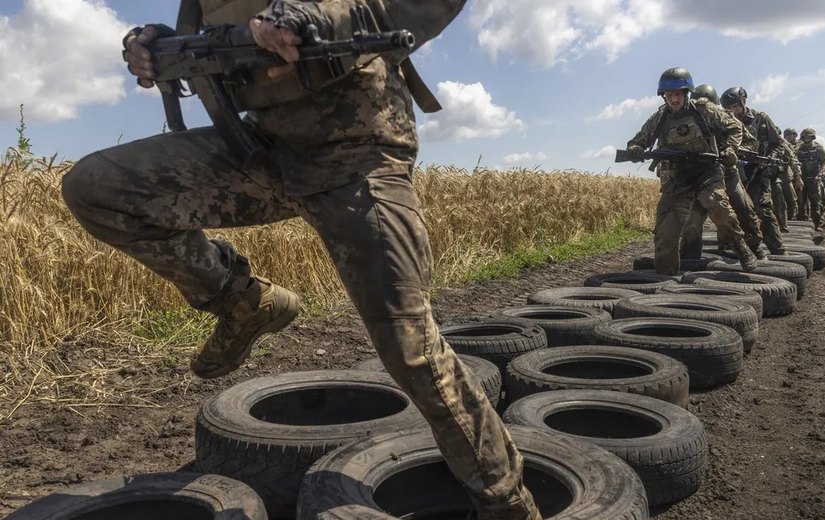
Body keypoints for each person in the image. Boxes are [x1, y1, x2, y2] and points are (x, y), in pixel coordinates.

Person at [60, 1, 542, 518]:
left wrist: (306, 17)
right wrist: (159, 46)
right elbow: (216, 36)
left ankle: (505, 501)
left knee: (411, 348)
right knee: (96, 187)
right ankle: (243, 301)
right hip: (260, 150)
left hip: (357, 153)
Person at [625, 68, 757, 275]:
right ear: (664, 96)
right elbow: (639, 140)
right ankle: (664, 279)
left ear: (687, 93)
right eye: (669, 95)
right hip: (677, 178)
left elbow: (734, 127)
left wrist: (730, 149)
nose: (674, 99)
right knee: (665, 233)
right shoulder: (659, 118)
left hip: (706, 173)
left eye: (678, 94)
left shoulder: (705, 110)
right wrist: (635, 149)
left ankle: (740, 247)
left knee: (721, 210)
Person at [680, 84, 765, 260]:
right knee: (692, 218)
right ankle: (690, 258)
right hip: (701, 175)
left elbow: (751, 143)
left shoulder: (724, 117)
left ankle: (754, 248)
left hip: (728, 173)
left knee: (743, 208)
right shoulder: (686, 120)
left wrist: (732, 150)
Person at [720, 86, 787, 255]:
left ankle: (778, 250)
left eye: (735, 107)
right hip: (736, 172)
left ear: (743, 103)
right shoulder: (724, 122)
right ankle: (733, 247)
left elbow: (779, 143)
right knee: (734, 210)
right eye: (728, 109)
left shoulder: (761, 119)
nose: (732, 111)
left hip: (759, 171)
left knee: (762, 208)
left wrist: (771, 158)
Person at [795, 128, 825, 230]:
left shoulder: (818, 148)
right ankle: (801, 223)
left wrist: (820, 175)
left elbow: (824, 163)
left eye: (809, 136)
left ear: (812, 137)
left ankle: (817, 223)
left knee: (815, 201)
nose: (807, 138)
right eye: (805, 136)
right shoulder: (798, 149)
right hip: (801, 180)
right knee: (801, 202)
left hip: (814, 179)